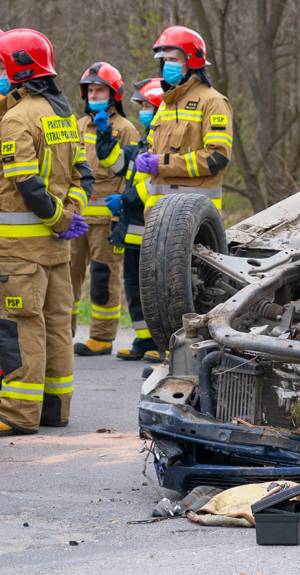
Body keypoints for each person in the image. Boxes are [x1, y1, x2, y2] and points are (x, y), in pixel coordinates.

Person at [0, 29, 91, 436]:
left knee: (20, 324)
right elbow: (82, 176)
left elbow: (26, 185)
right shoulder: (62, 112)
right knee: (56, 322)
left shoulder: (17, 119)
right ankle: (54, 407)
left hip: (20, 249)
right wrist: (70, 215)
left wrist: (58, 218)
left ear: (16, 69)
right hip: (56, 247)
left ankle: (15, 413)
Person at [71, 62, 139, 356]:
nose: (94, 95)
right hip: (75, 218)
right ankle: (63, 333)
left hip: (107, 221)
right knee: (67, 278)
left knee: (103, 278)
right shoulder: (76, 125)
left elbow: (133, 173)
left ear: (114, 94)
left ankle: (101, 337)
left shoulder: (125, 130)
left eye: (100, 90)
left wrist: (122, 208)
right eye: (90, 90)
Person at [97, 78, 163, 361]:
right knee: (134, 290)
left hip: (150, 230)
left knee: (153, 292)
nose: (143, 110)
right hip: (133, 232)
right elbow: (116, 164)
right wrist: (105, 137)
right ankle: (143, 340)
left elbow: (153, 184)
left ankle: (158, 343)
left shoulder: (162, 141)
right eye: (142, 105)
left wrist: (123, 199)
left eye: (148, 105)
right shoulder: (144, 141)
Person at [134, 26, 233, 213]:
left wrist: (161, 163)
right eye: (165, 60)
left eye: (173, 60)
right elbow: (153, 148)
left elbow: (216, 158)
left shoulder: (213, 102)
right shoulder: (166, 104)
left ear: (191, 61)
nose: (167, 66)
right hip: (158, 217)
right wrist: (146, 159)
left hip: (194, 216)